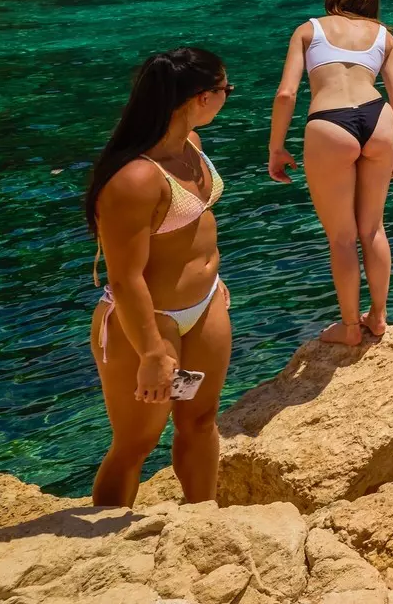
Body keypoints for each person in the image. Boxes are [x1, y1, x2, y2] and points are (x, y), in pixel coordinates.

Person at [85, 48, 235, 507]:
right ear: (200, 97)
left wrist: (213, 279)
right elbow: (126, 277)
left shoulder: (192, 146)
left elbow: (195, 230)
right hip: (150, 322)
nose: (228, 97)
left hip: (205, 304)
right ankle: (102, 547)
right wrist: (151, 353)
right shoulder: (135, 179)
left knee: (202, 420)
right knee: (136, 444)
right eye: (226, 90)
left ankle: (203, 523)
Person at [267, 0, 393, 346]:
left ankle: (349, 328)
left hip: (330, 123)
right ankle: (378, 318)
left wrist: (276, 148)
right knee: (373, 229)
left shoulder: (308, 30)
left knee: (342, 238)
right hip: (377, 118)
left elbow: (286, 94)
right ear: (373, 2)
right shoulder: (384, 37)